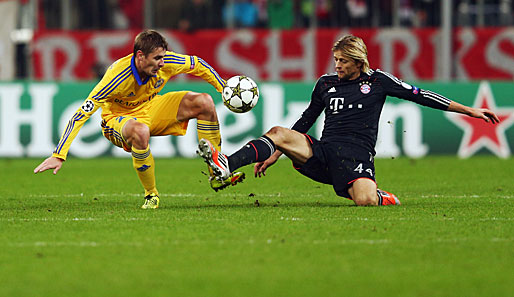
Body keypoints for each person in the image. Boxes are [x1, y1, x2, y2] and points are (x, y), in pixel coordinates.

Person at [197, 35, 500, 206]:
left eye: (342, 61)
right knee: (278, 131)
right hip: (323, 153)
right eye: (335, 60)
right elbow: (305, 120)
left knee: (365, 203)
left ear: (358, 62)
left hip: (356, 156)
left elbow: (420, 95)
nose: (337, 65)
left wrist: (470, 111)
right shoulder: (325, 84)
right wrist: (276, 153)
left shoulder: (379, 81)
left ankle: (379, 194)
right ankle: (226, 164)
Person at [34, 30, 244, 209]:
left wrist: (223, 87)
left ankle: (217, 173)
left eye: (163, 57)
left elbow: (197, 64)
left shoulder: (167, 62)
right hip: (118, 119)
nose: (162, 63)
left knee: (204, 102)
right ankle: (151, 194)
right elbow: (82, 113)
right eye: (157, 59)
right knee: (140, 131)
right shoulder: (116, 77)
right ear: (140, 56)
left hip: (151, 107)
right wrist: (59, 154)